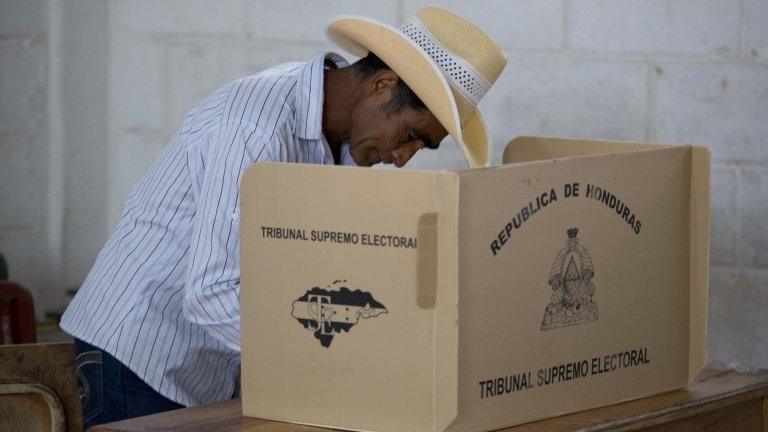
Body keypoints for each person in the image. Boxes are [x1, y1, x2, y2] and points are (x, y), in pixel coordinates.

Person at [60, 6, 507, 427]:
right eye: (410, 136)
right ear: (383, 85)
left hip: (207, 367)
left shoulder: (348, 147)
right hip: (137, 354)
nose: (404, 158)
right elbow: (212, 292)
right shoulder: (255, 128)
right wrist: (340, 359)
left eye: (420, 147)